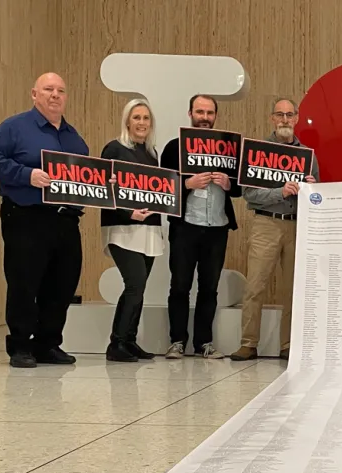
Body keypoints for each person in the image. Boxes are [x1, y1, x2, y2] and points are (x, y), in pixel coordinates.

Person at [0, 72, 88, 368]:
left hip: (65, 221)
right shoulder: (14, 127)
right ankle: (20, 346)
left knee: (62, 283)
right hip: (26, 216)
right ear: (34, 94)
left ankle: (47, 344)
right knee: (24, 283)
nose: (55, 95)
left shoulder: (74, 137)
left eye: (61, 90)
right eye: (49, 89)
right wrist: (27, 175)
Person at [230, 98, 320, 362]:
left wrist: (310, 188)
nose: (284, 119)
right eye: (279, 114)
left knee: (293, 290)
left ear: (297, 118)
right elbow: (249, 195)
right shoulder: (258, 152)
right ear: (271, 118)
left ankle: (289, 345)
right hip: (265, 223)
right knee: (255, 286)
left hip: (297, 225)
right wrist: (279, 192)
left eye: (289, 114)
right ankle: (248, 343)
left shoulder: (308, 155)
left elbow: (316, 199)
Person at [161, 94, 242, 360]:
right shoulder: (174, 148)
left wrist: (230, 185)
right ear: (190, 114)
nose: (205, 117)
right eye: (200, 112)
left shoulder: (229, 149)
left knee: (210, 287)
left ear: (215, 116)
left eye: (209, 112)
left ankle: (204, 342)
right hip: (185, 226)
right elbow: (162, 187)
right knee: (180, 285)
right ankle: (176, 341)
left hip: (217, 227)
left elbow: (241, 188)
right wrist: (187, 184)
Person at [99, 99, 163, 362]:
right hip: (122, 228)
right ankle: (116, 344)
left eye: (146, 118)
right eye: (136, 117)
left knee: (140, 287)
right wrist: (128, 213)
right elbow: (104, 189)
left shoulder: (152, 153)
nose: (141, 123)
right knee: (134, 284)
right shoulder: (113, 149)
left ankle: (130, 340)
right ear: (127, 121)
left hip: (148, 229)